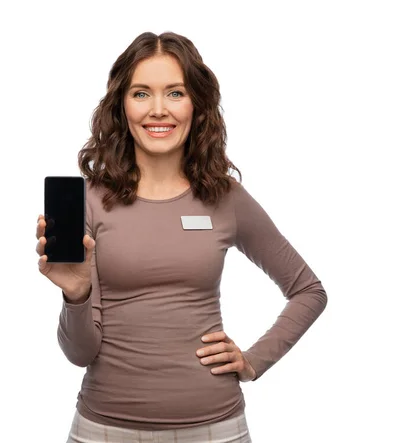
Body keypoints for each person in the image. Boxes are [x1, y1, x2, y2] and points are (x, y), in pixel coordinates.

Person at [35, 31, 328, 443]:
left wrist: (253, 361)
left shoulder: (226, 198)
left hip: (216, 429)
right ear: (121, 105)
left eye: (174, 93)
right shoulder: (90, 201)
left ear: (197, 105)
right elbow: (79, 352)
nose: (158, 110)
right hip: (104, 429)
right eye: (141, 94)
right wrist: (77, 295)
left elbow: (308, 291)